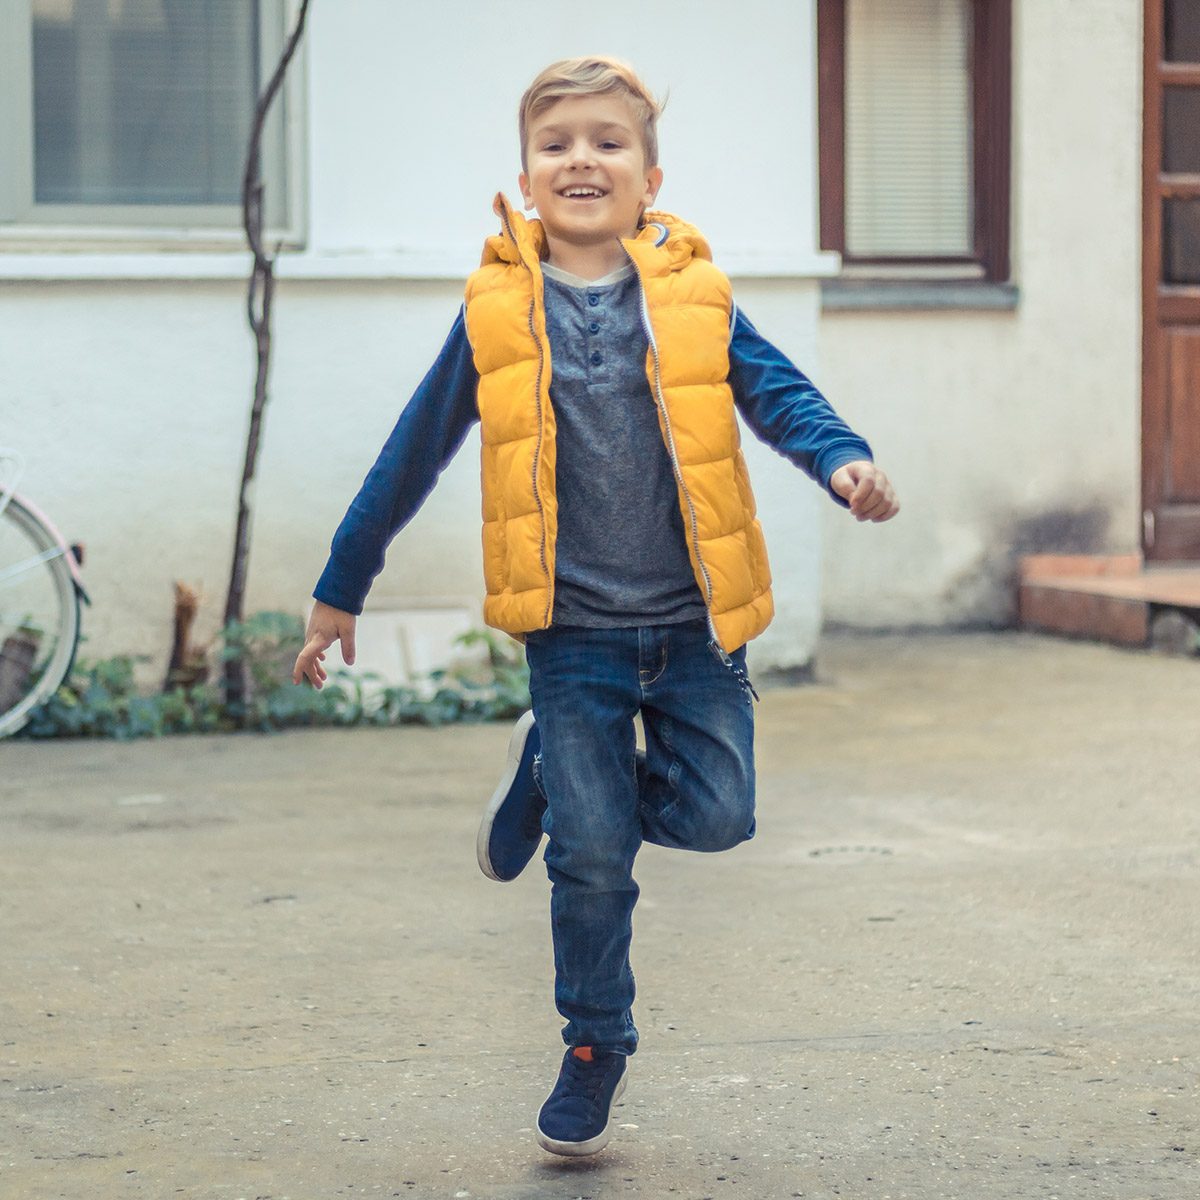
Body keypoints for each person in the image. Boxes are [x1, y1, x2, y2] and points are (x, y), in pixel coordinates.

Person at [293, 56, 899, 1159]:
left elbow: (779, 396)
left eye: (607, 143)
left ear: (649, 178)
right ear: (526, 180)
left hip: (695, 624)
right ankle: (593, 1040)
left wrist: (843, 461)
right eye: (558, 142)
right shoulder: (493, 311)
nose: (582, 159)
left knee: (720, 814)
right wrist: (343, 586)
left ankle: (557, 786)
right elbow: (413, 451)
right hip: (571, 633)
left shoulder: (697, 294)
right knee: (594, 861)